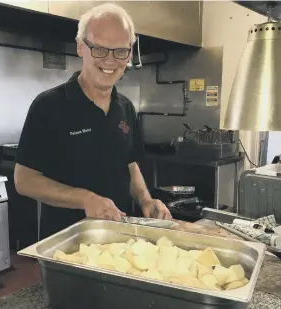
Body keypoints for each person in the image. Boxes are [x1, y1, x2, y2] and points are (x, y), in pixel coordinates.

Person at [14, 3, 172, 239]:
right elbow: (24, 180)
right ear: (81, 47)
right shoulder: (48, 105)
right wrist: (85, 199)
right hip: (67, 246)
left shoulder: (126, 107)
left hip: (121, 240)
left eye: (121, 51)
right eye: (99, 49)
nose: (110, 60)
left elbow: (129, 164)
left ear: (130, 53)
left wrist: (145, 200)